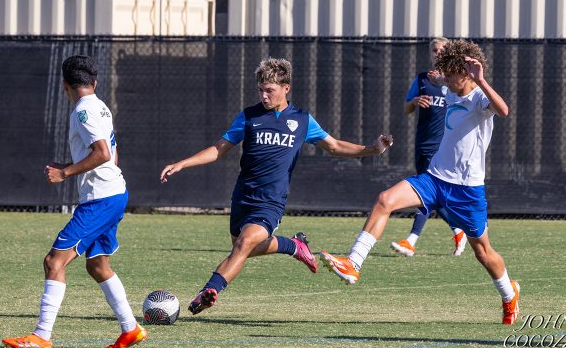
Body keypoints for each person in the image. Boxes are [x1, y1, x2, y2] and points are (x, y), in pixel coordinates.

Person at [160, 57, 393, 315]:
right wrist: (183, 163)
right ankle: (294, 246)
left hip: (272, 200)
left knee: (245, 243)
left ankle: (208, 290)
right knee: (244, 246)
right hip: (243, 196)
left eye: (269, 90)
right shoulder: (249, 117)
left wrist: (373, 149)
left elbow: (335, 146)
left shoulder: (302, 120)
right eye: (261, 89)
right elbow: (218, 150)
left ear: (286, 88)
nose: (264, 95)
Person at [320, 40, 521, 325]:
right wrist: (428, 87)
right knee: (384, 200)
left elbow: (503, 111)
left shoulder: (478, 98)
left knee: (483, 252)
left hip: (467, 190)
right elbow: (437, 84)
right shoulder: (451, 90)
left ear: (464, 74)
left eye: (450, 75)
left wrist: (481, 79)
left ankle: (508, 294)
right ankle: (353, 263)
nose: (445, 80)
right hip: (434, 178)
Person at [2, 55, 147, 348]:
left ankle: (41, 336)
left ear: (64, 85)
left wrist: (64, 172)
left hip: (100, 200)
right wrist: (71, 164)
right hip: (114, 192)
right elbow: (111, 157)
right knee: (97, 265)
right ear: (94, 82)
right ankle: (130, 329)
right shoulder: (101, 106)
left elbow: (103, 153)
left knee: (54, 261)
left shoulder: (83, 111)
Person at [392, 37, 467, 257]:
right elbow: (406, 109)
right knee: (433, 195)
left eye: (442, 50)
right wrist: (414, 102)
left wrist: (445, 81)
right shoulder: (422, 79)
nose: (438, 53)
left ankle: (411, 240)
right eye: (435, 50)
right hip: (422, 143)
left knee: (425, 192)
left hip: (443, 146)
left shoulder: (455, 81)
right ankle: (458, 230)